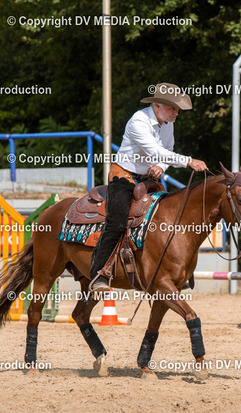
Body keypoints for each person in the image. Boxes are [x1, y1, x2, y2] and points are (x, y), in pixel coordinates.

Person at [89, 82, 208, 293]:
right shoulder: (138, 121)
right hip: (124, 176)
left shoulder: (168, 123)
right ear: (157, 105)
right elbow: (154, 150)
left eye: (177, 108)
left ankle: (171, 269)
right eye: (172, 108)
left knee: (170, 216)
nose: (176, 112)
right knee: (117, 222)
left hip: (148, 178)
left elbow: (167, 149)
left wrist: (161, 167)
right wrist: (189, 161)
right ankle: (99, 274)